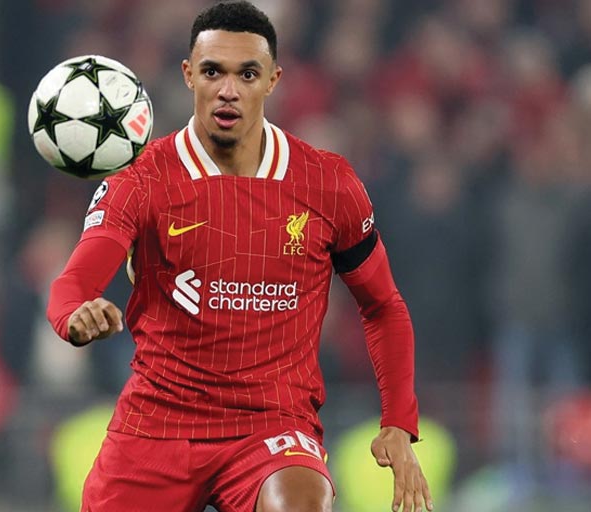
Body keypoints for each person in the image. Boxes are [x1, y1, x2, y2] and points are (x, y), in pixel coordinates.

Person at [47, 2, 432, 511]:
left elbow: (382, 305)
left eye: (247, 74)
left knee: (300, 503)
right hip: (160, 422)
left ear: (273, 80)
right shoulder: (141, 181)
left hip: (273, 425)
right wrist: (75, 317)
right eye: (213, 72)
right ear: (189, 75)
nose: (228, 89)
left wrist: (399, 422)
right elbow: (74, 282)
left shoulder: (328, 183)